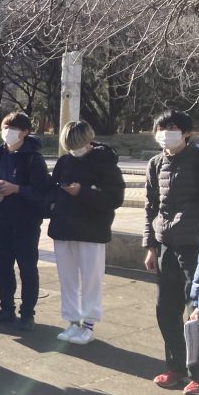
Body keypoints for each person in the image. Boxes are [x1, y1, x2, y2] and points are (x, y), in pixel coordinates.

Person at [47, 121, 125, 345]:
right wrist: (52, 204)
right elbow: (51, 188)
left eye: (77, 144)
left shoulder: (105, 162)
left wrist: (82, 192)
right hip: (63, 227)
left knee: (91, 278)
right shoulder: (65, 160)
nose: (74, 149)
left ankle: (89, 324)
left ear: (88, 140)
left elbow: (114, 198)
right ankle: (72, 321)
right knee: (67, 278)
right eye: (70, 145)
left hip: (92, 229)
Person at [145, 110, 199, 395]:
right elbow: (151, 206)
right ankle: (176, 366)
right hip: (166, 244)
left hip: (195, 246)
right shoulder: (156, 163)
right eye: (163, 128)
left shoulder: (197, 159)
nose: (168, 132)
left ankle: (198, 373)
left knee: (197, 312)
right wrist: (151, 245)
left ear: (187, 133)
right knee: (166, 309)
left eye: (174, 128)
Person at [0, 112, 49, 329]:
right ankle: (6, 308)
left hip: (25, 222)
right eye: (5, 127)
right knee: (3, 267)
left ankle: (27, 313)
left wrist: (17, 189)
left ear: (25, 132)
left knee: (27, 268)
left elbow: (42, 192)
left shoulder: (33, 159)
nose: (8, 132)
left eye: (13, 128)